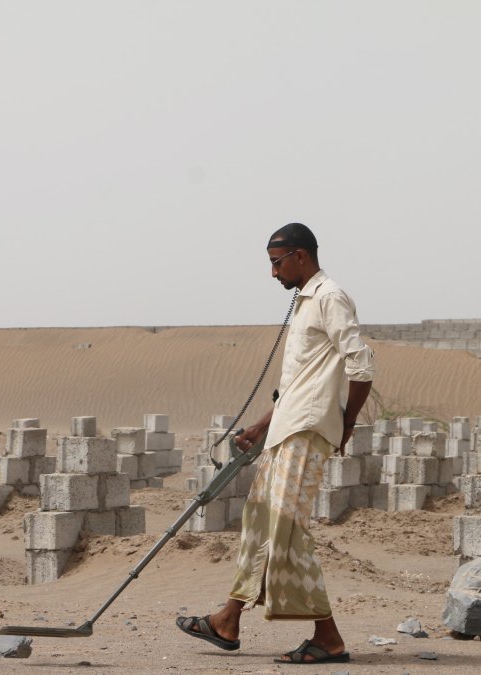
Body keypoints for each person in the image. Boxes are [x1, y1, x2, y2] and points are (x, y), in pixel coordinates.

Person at [176, 222, 374, 665]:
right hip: (287, 429)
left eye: (276, 263)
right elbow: (296, 384)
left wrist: (347, 423)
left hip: (306, 432)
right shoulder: (304, 303)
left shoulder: (329, 297)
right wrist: (262, 425)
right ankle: (228, 619)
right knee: (263, 523)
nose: (272, 273)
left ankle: (329, 639)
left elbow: (361, 366)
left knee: (286, 531)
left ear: (300, 256)